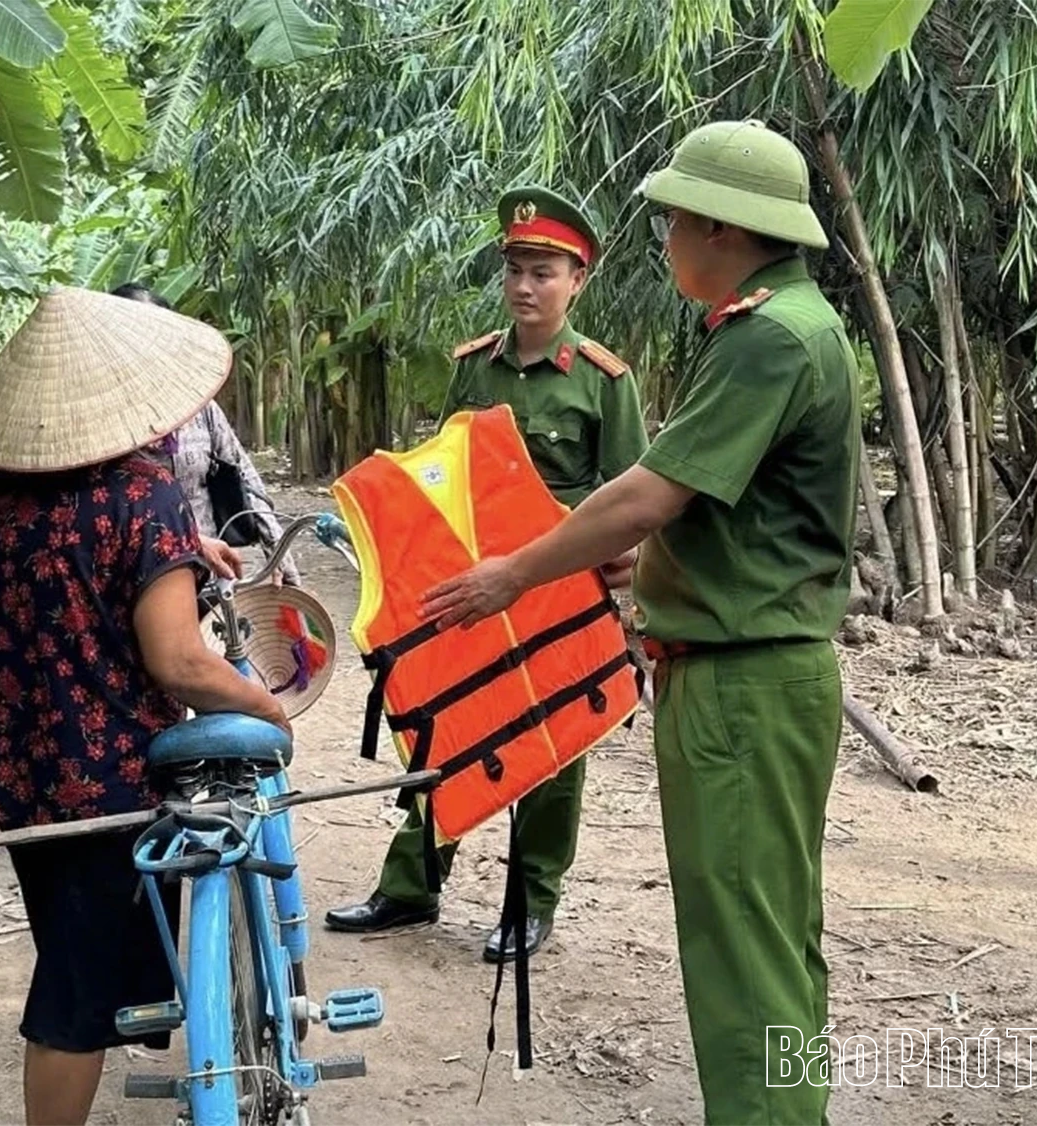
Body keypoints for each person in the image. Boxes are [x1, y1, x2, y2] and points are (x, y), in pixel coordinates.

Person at [420, 120, 859, 1125]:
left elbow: (645, 491)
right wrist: (645, 563)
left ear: (719, 226)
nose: (663, 239)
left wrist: (513, 576)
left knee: (742, 944)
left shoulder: (768, 337)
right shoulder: (788, 322)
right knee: (776, 931)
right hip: (759, 671)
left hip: (742, 685)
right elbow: (717, 511)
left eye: (670, 221)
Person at [0, 286, 291, 1126]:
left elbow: (77, 581)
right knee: (73, 1001)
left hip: (27, 769)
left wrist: (183, 549)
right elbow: (181, 662)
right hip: (109, 781)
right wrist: (265, 707)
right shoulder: (145, 497)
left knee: (76, 961)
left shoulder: (9, 492)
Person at [324, 185, 649, 963]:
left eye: (545, 271)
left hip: (559, 598)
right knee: (447, 727)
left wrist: (624, 604)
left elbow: (628, 501)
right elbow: (445, 480)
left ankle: (530, 902)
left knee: (551, 746)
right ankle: (411, 887)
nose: (526, 286)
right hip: (473, 594)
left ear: (579, 280)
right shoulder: (474, 368)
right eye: (516, 269)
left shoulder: (604, 381)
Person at [112, 283, 300, 586]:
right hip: (136, 581)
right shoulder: (97, 422)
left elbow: (242, 473)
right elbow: (105, 511)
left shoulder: (200, 408)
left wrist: (276, 550)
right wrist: (191, 542)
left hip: (212, 575)